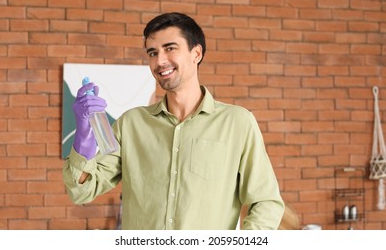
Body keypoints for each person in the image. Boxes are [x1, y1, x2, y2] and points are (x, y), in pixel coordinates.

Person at [63, 12, 285, 230]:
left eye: (170, 48)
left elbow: (266, 202)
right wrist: (83, 136)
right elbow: (83, 190)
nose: (159, 61)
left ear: (196, 53)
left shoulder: (237, 123)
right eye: (152, 53)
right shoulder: (130, 124)